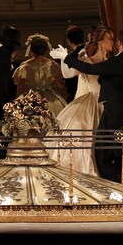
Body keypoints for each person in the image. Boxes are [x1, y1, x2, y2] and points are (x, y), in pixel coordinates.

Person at [65, 27, 123, 183]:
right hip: (112, 109)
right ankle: (121, 183)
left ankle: (118, 184)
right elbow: (77, 72)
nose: (111, 42)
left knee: (112, 153)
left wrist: (66, 57)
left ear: (119, 43)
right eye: (108, 38)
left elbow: (90, 69)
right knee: (114, 153)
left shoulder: (117, 61)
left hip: (115, 112)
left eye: (113, 39)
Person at [49, 28, 106, 175]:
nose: (112, 42)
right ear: (100, 42)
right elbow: (67, 74)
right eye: (109, 39)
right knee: (83, 138)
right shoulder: (86, 59)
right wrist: (64, 59)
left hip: (104, 102)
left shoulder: (109, 61)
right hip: (87, 102)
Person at [14, 34, 68, 117]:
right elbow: (61, 85)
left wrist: (17, 103)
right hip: (50, 98)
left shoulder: (25, 66)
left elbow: (20, 87)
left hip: (30, 98)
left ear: (31, 50)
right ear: (46, 50)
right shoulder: (52, 65)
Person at [62, 25, 85, 101]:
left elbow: (69, 82)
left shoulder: (70, 58)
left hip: (76, 95)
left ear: (69, 41)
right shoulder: (91, 52)